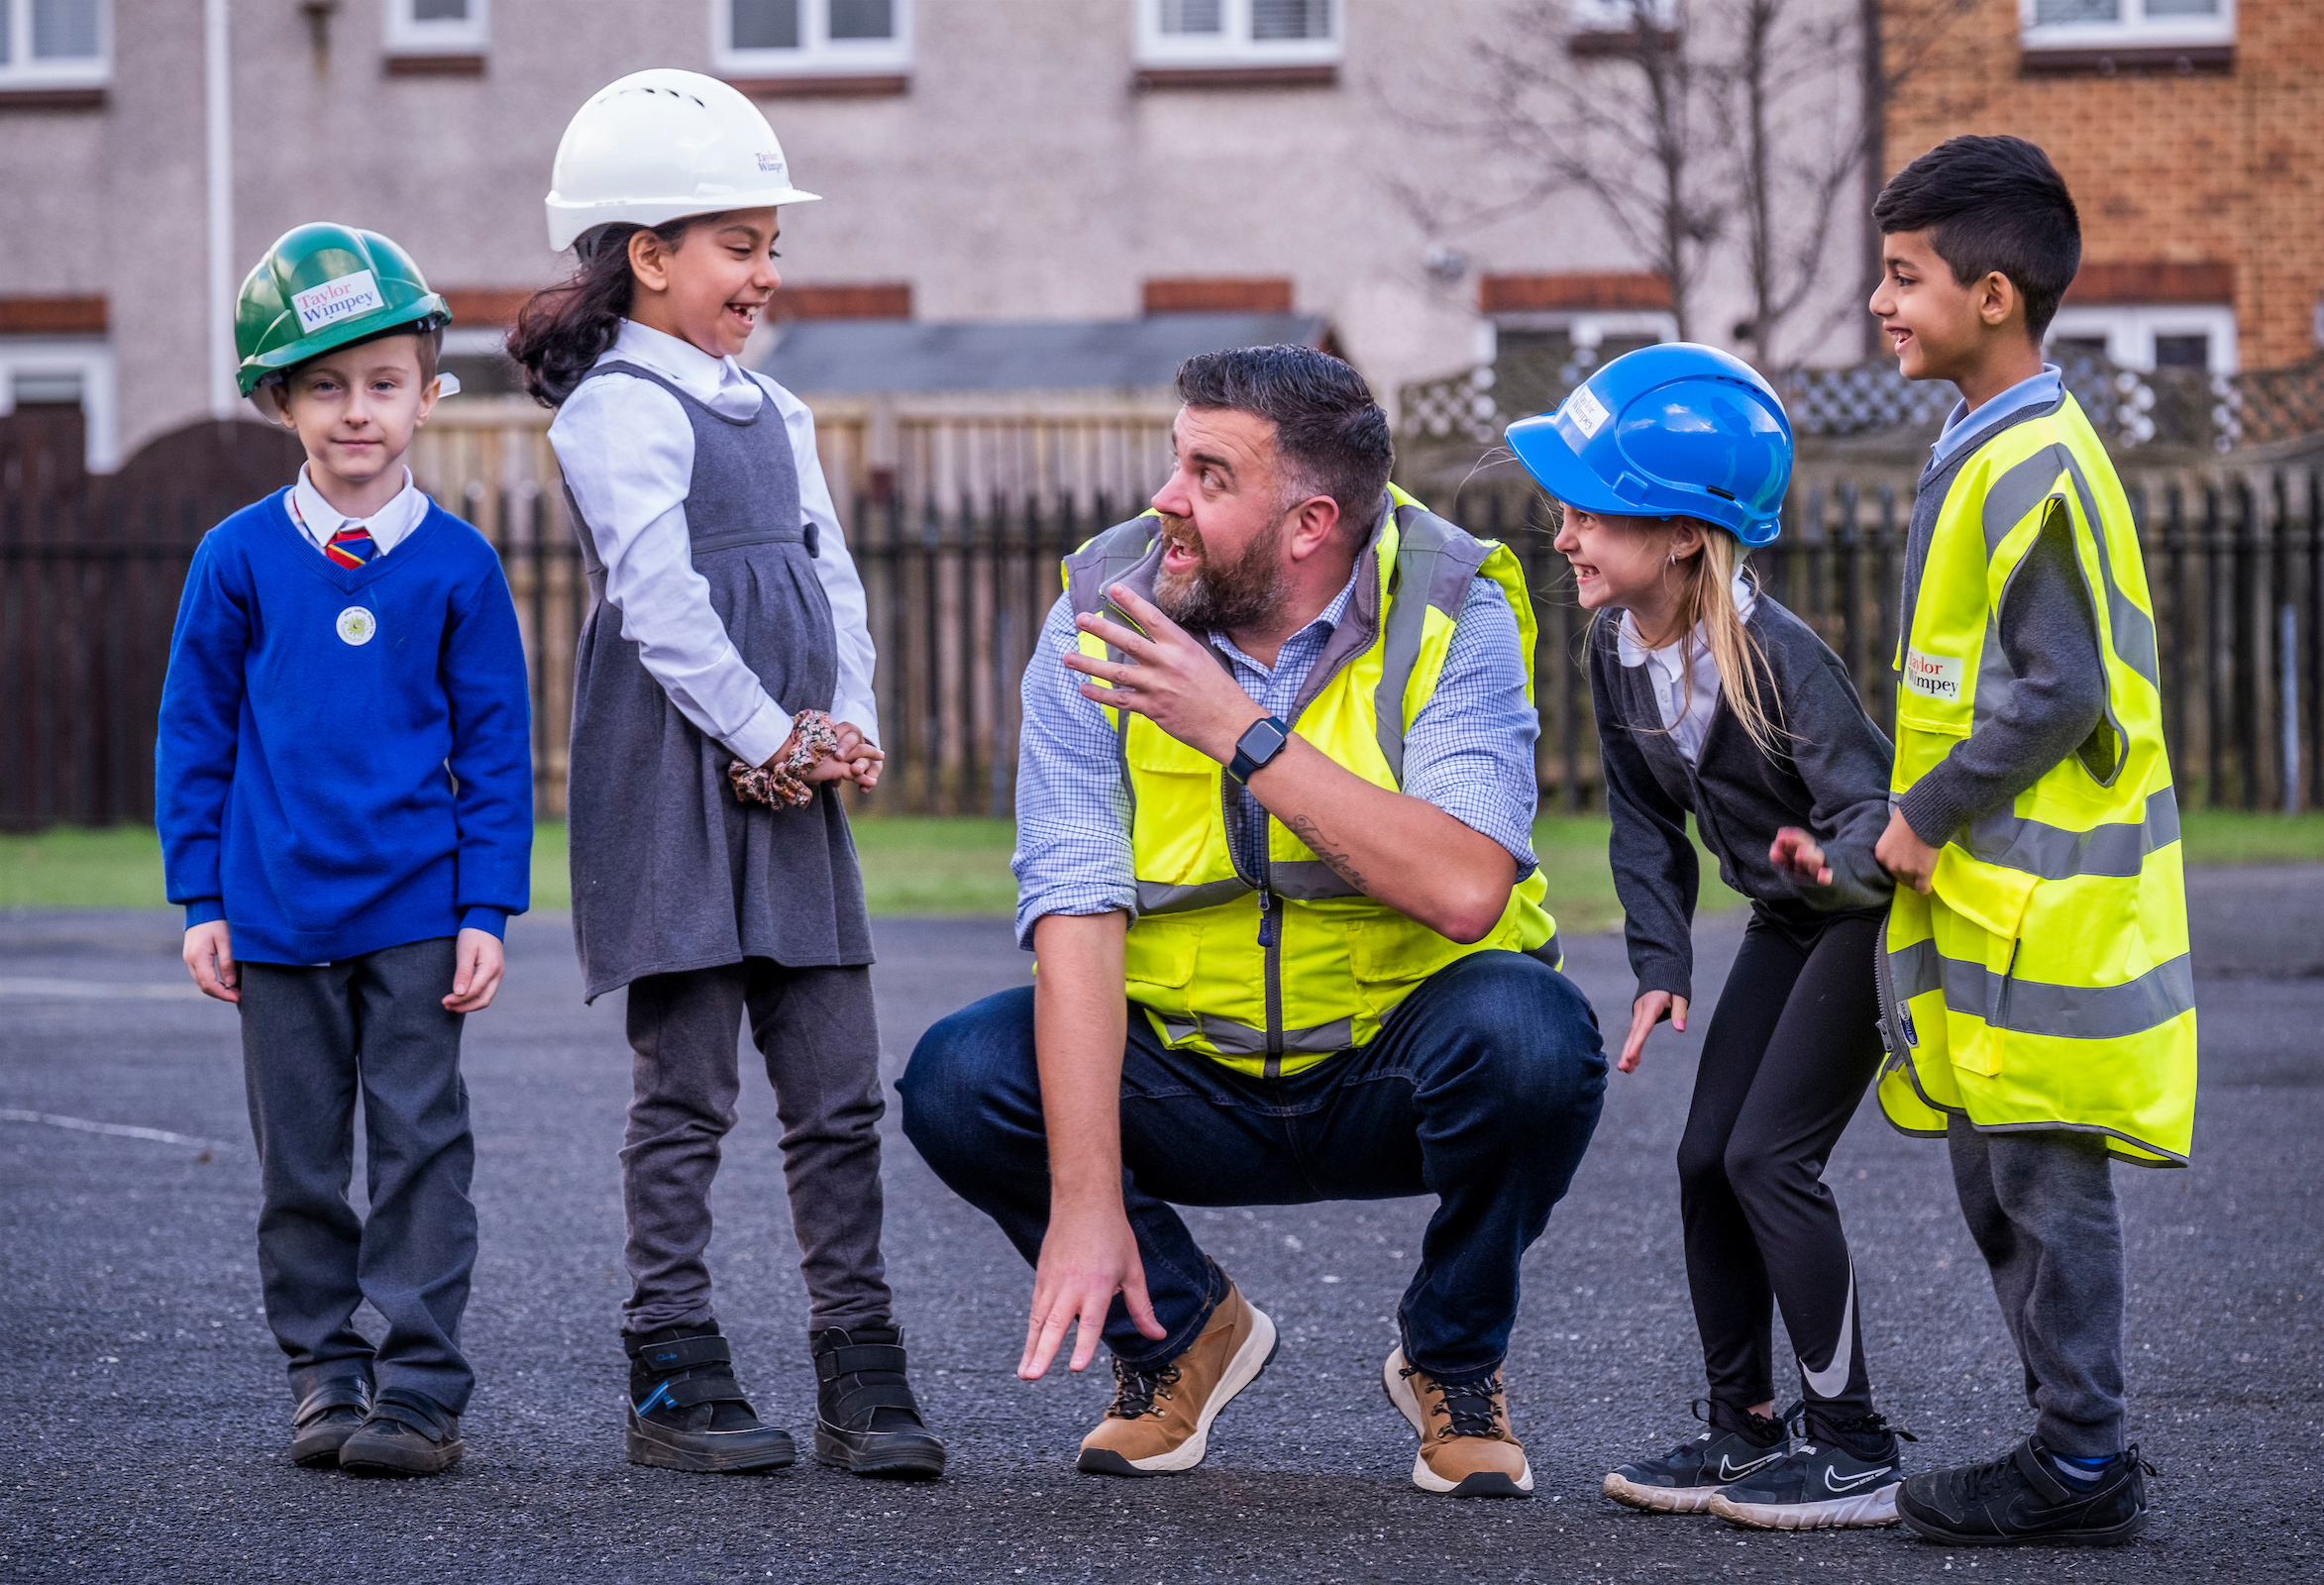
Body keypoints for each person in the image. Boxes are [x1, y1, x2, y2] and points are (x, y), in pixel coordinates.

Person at [900, 344, 1605, 1499]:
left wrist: (1241, 731)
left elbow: (1468, 884)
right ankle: (1178, 1337)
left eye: (1209, 475)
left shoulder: (1455, 601)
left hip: (1391, 1068)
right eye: (1175, 461)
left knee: (1537, 1035)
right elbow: (1075, 905)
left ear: (1309, 522)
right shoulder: (1099, 604)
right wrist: (1081, 1204)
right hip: (1186, 1071)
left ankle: (1453, 1357)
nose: (1165, 499)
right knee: (960, 1074)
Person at [514, 67, 942, 1480]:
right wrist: (766, 737)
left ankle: (860, 1369)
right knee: (687, 1089)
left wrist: (849, 721)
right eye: (739, 245)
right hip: (680, 780)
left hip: (794, 781)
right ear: (649, 255)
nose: (766, 272)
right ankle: (672, 1370)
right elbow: (661, 607)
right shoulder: (612, 411)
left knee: (837, 1089)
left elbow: (834, 578)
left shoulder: (783, 408)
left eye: (772, 245)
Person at [1506, 344, 1917, 1531]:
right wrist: (1660, 967)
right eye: (1565, 510)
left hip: (1862, 921)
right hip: (1788, 926)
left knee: (1766, 1159)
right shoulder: (1612, 645)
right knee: (1702, 1160)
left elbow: (1871, 813)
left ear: (1686, 533)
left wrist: (1826, 863)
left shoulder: (1780, 658)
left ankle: (1855, 1446)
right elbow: (1644, 825)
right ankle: (1743, 1429)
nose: (1566, 535)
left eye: (1595, 512)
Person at [158, 224, 534, 1477]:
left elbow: (495, 752)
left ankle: (421, 1386)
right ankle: (326, 1371)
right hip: (273, 913)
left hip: (419, 910)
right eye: (324, 385)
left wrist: (486, 908)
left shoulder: (462, 565)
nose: (356, 411)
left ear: (430, 393)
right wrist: (201, 894)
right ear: (280, 401)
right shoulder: (237, 557)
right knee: (302, 1160)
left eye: (382, 381)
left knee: (425, 1144)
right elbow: (195, 734)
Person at [1865, 135, 2192, 1547]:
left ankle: (2079, 1462)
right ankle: (2069, 1451)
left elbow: (2058, 689)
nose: (1882, 302)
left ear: (1993, 296)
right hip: (1999, 901)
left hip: (2038, 902)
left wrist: (1921, 817)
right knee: (2004, 1180)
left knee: (2045, 1188)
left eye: (1905, 276)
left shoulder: (2033, 461)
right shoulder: (1992, 441)